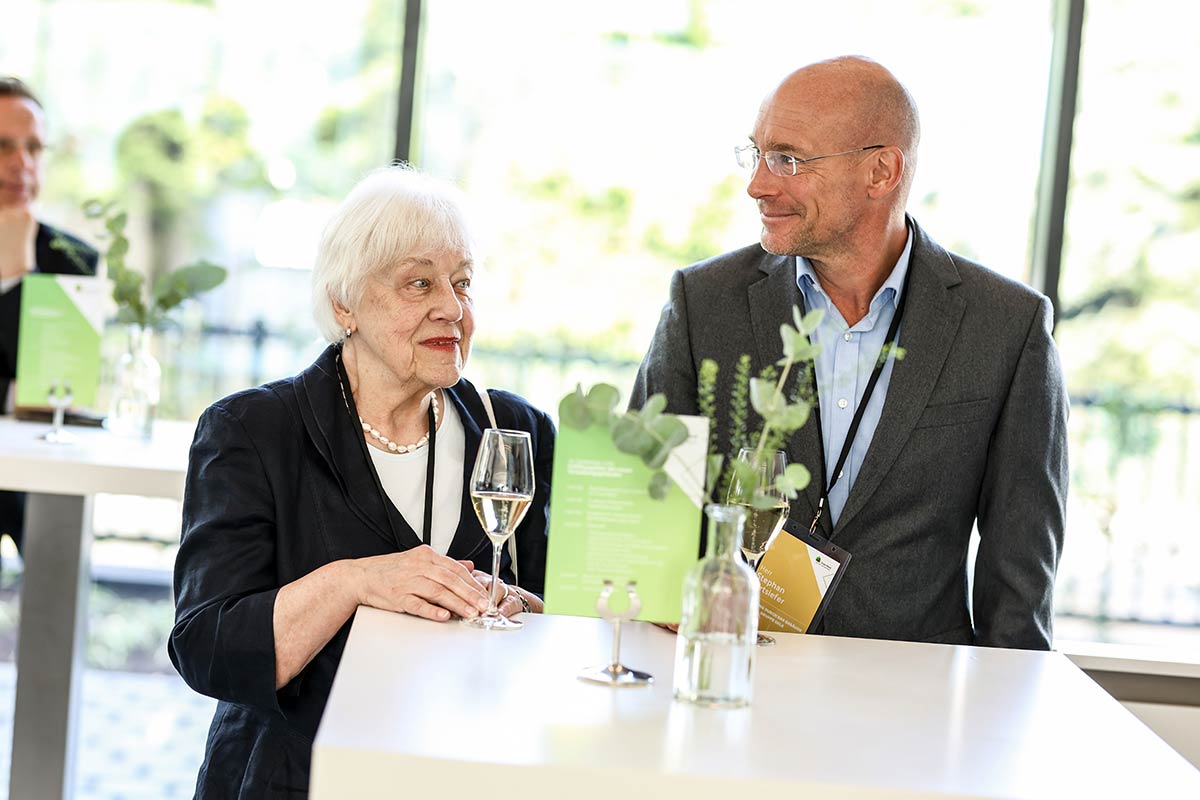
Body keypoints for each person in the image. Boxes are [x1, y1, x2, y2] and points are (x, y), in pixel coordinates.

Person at [631, 56, 1067, 650]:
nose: (758, 184)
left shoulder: (1007, 326)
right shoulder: (703, 302)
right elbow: (643, 511)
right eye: (755, 154)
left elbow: (1020, 582)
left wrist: (1006, 699)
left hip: (916, 691)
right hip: (733, 672)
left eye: (787, 159)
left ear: (881, 171)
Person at [169, 165, 555, 798]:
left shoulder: (514, 430)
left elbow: (557, 607)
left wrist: (521, 604)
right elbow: (207, 647)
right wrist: (355, 582)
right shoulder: (253, 430)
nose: (452, 308)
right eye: (419, 282)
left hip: (464, 770)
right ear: (343, 303)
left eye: (462, 283)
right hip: (297, 779)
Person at [0, 76, 97, 554]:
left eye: (34, 148)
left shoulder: (72, 259)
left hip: (36, 479)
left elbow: (57, 386)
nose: (22, 163)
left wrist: (19, 273)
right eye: (3, 146)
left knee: (57, 554)